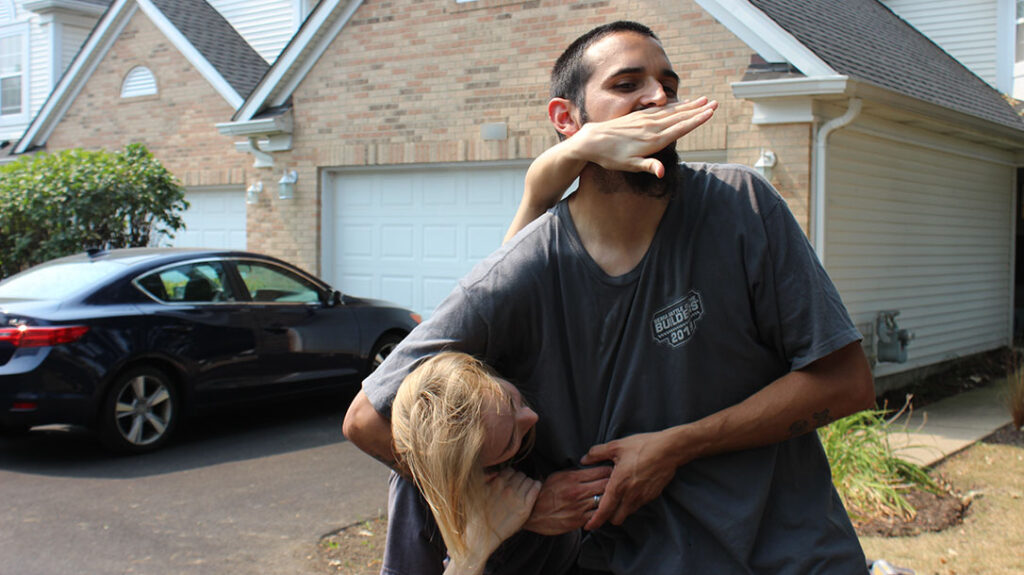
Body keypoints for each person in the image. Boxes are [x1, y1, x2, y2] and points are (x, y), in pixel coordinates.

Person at [345, 20, 876, 574]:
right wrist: (515, 501)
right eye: (627, 84)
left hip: (795, 555)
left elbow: (846, 383)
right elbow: (367, 420)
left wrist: (676, 446)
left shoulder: (742, 206)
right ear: (566, 119)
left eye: (668, 84)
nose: (658, 96)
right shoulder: (528, 264)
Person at [390, 351, 546, 575]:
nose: (532, 417)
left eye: (510, 400)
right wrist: (472, 553)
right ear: (472, 472)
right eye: (510, 441)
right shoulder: (415, 495)